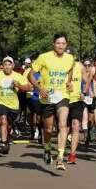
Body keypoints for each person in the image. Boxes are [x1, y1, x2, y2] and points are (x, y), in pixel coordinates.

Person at [29, 33, 74, 170]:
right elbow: (30, 74)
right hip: (47, 97)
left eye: (63, 43)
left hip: (63, 95)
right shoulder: (44, 57)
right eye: (58, 43)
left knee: (62, 125)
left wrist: (69, 82)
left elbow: (70, 70)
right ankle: (47, 148)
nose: (61, 46)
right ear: (53, 44)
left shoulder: (70, 58)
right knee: (48, 129)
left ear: (66, 45)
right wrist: (39, 88)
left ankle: (60, 158)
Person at [0, 56, 31, 154]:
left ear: (13, 66)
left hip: (13, 104)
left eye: (9, 65)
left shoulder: (18, 76)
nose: (7, 67)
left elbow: (29, 87)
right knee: (3, 120)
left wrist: (18, 85)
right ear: (2, 66)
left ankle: (7, 138)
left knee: (9, 125)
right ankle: (3, 144)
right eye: (5, 65)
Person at [67, 49, 89, 164]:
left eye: (71, 55)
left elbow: (87, 81)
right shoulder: (60, 66)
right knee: (64, 128)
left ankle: (72, 154)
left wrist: (84, 92)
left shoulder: (80, 66)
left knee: (76, 125)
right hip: (63, 99)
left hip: (76, 100)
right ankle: (60, 151)